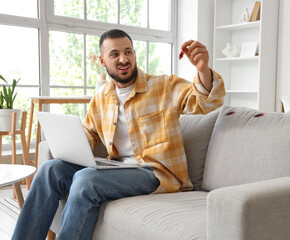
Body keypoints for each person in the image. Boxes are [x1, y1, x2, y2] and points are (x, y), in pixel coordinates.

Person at [12, 29, 225, 240]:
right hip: (119, 169)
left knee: (86, 180)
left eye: (128, 52)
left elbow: (206, 102)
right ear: (103, 61)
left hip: (157, 173)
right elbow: (89, 132)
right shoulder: (101, 97)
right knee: (51, 169)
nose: (124, 59)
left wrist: (203, 70)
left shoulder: (163, 85)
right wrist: (69, 146)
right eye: (114, 54)